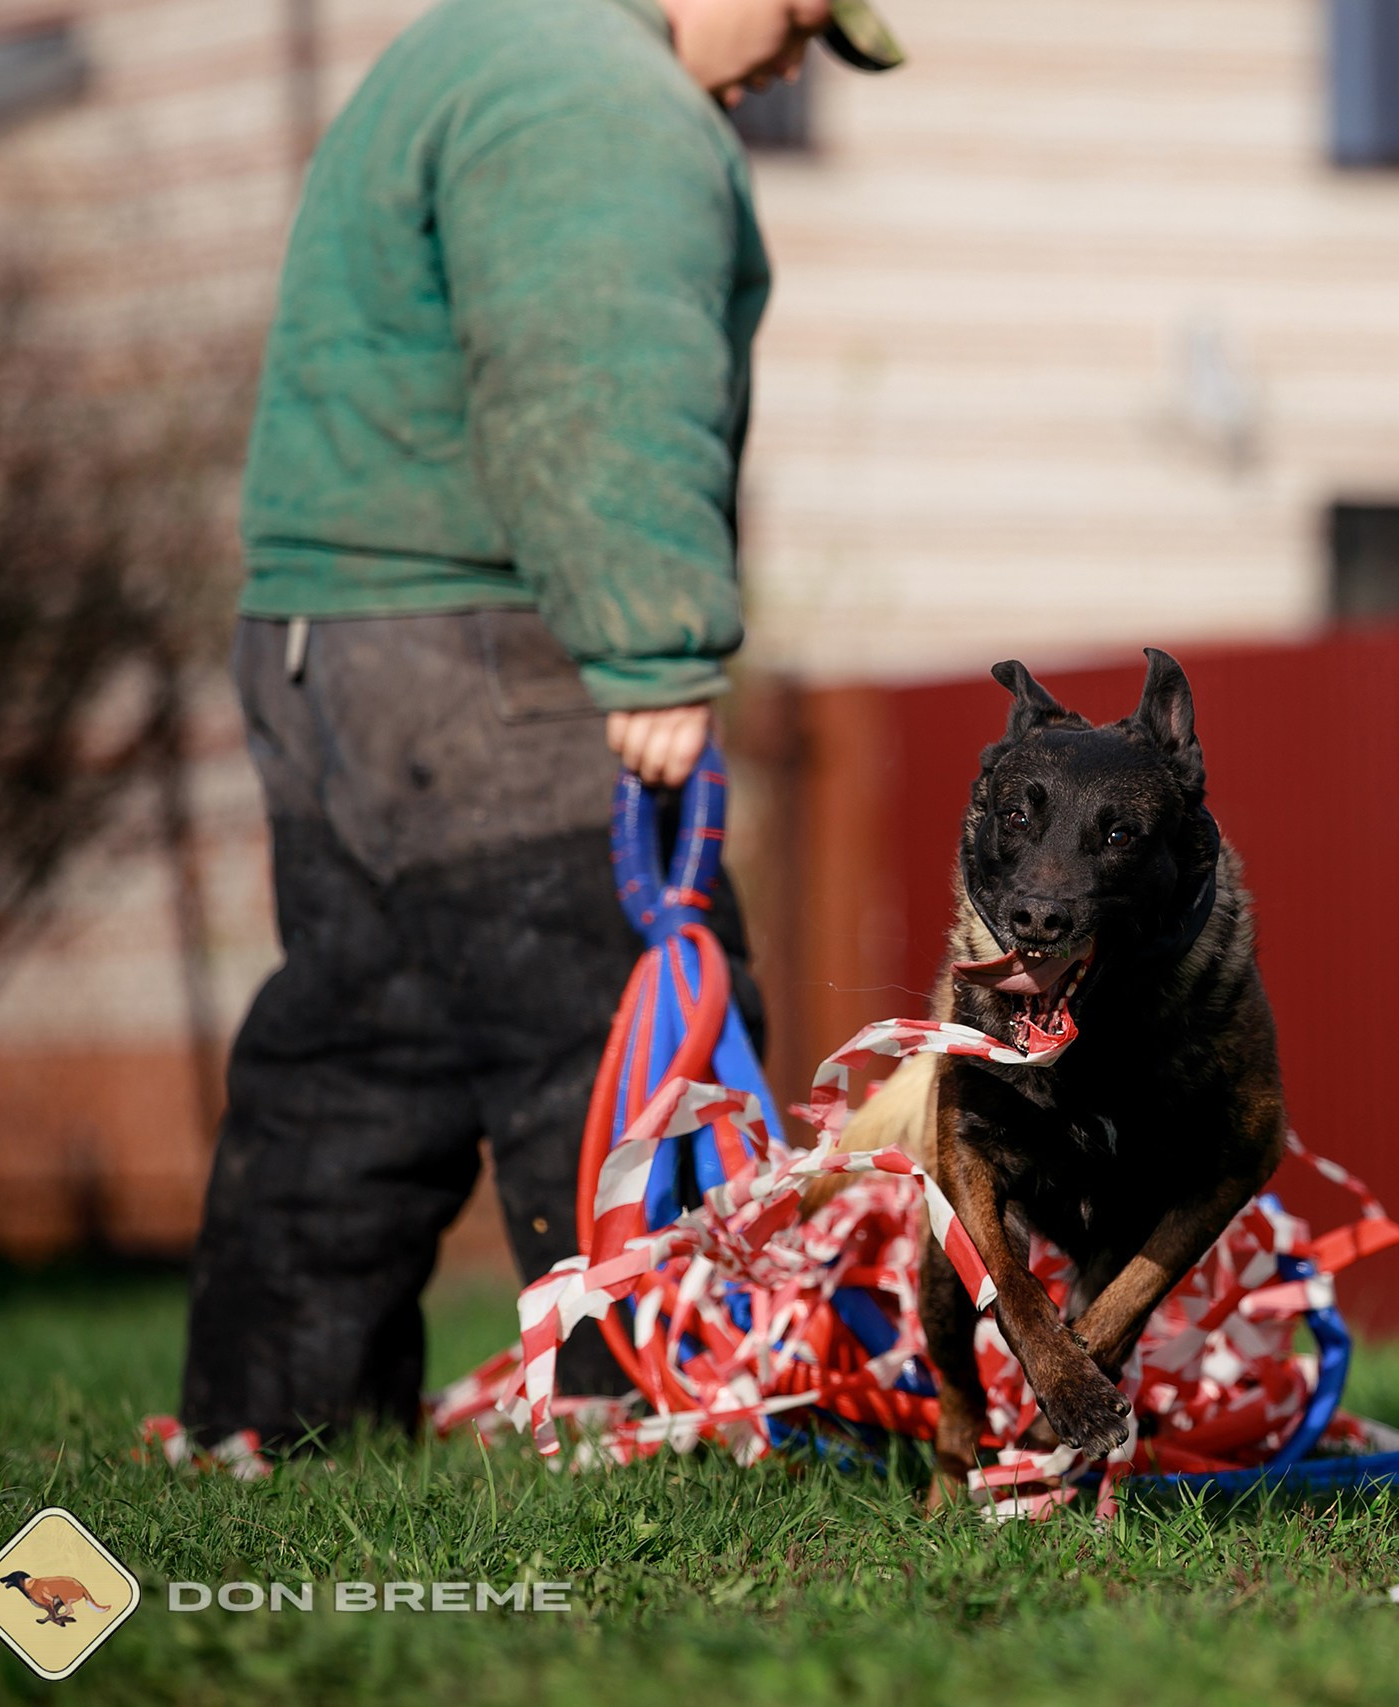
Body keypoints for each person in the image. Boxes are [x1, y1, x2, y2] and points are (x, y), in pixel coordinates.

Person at [181, 0, 905, 1448]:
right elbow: (594, 377)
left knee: (359, 1053)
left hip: (329, 646)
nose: (787, 62)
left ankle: (270, 1427)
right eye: (801, 17)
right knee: (629, 1041)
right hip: (486, 650)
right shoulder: (605, 101)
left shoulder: (476, 45)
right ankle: (665, 1420)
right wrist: (655, 648)